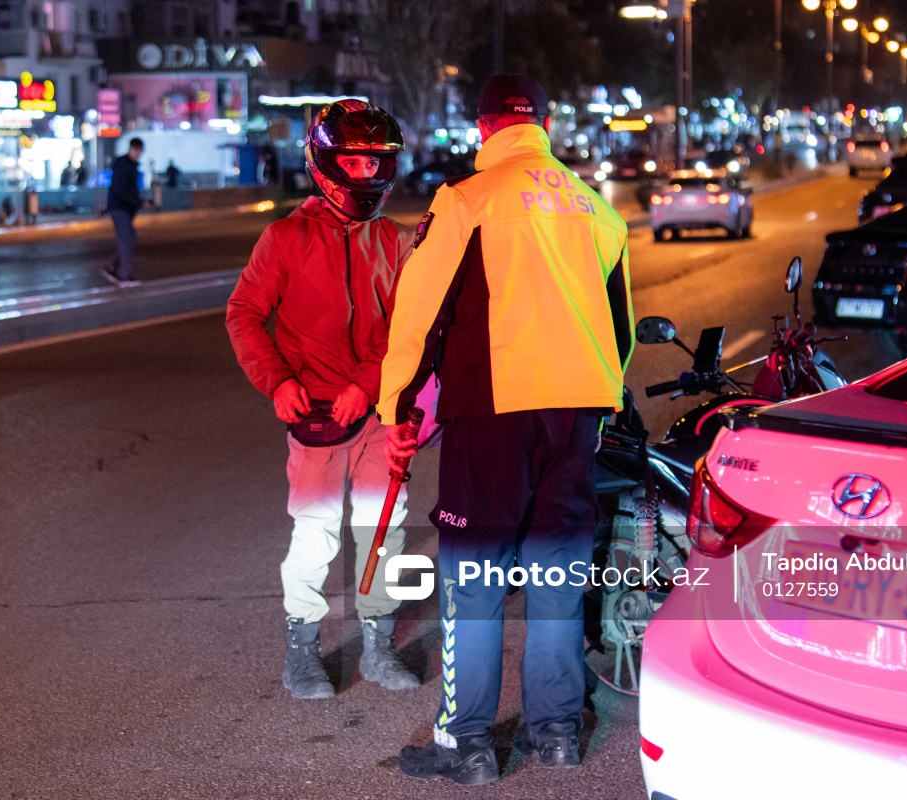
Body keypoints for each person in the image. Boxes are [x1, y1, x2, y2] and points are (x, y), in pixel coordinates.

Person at [377, 74, 634, 784]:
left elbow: (420, 311)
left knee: (475, 579)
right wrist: (600, 398)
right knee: (557, 576)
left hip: (492, 410)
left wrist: (397, 406)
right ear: (543, 125)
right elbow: (620, 329)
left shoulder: (467, 200)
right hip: (576, 415)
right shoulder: (594, 208)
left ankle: (467, 743)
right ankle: (556, 733)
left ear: (484, 127)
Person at [225, 99, 421, 701]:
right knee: (314, 535)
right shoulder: (286, 238)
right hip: (315, 418)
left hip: (382, 415)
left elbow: (411, 328)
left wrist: (367, 383)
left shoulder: (398, 242)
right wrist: (278, 381)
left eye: (374, 163)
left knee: (385, 531)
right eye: (353, 163)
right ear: (325, 166)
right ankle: (302, 651)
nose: (364, 174)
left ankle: (380, 647)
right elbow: (244, 313)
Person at [102, 137, 144, 288]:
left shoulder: (130, 165)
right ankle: (124, 276)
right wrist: (137, 201)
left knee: (129, 237)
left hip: (124, 207)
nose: (137, 154)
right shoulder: (123, 165)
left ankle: (112, 267)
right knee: (126, 239)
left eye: (139, 151)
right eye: (136, 150)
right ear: (132, 149)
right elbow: (122, 189)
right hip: (120, 207)